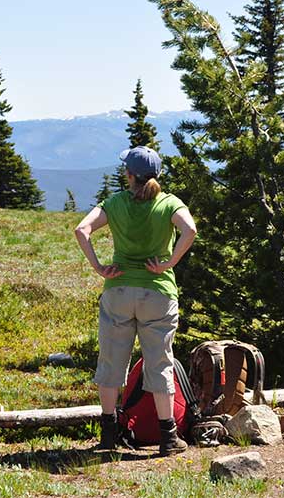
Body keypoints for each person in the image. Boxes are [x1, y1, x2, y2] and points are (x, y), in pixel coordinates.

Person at [74, 145, 197, 456]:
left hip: (118, 289)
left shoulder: (114, 203)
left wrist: (99, 267)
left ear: (129, 175)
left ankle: (108, 433)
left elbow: (82, 229)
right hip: (158, 292)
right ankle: (168, 436)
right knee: (160, 362)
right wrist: (168, 264)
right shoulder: (169, 203)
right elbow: (190, 230)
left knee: (112, 361)